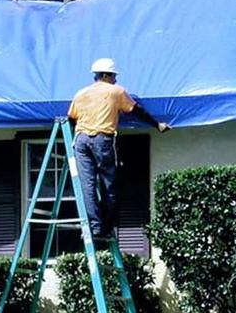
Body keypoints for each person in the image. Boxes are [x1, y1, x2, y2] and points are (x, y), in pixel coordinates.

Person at [68, 58, 170, 238]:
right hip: (102, 139)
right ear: (106, 75)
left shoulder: (81, 94)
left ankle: (95, 226)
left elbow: (71, 118)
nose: (115, 79)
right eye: (113, 76)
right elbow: (136, 110)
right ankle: (105, 228)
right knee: (109, 185)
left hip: (81, 140)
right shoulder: (116, 91)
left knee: (87, 186)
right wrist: (157, 125)